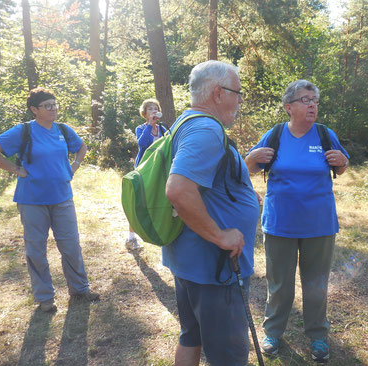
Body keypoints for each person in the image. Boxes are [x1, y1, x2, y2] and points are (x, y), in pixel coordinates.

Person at [245, 80, 349, 362]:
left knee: (316, 283)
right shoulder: (276, 134)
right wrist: (252, 158)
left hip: (319, 224)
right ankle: (273, 333)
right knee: (279, 284)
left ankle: (317, 336)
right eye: (305, 100)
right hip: (280, 223)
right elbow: (249, 168)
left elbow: (341, 165)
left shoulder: (326, 135)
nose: (312, 104)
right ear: (289, 107)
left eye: (314, 99)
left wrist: (342, 161)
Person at [163, 60, 260, 366]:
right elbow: (178, 189)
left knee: (192, 337)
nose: (240, 99)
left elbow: (206, 180)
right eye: (237, 92)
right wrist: (220, 235)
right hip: (214, 269)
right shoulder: (206, 129)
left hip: (191, 261)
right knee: (228, 356)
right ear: (218, 93)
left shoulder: (187, 121)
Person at [0, 87, 99, 312]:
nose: (53, 108)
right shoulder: (22, 131)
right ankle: (45, 299)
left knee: (71, 245)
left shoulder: (63, 129)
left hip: (62, 197)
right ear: (34, 110)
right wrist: (16, 169)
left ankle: (80, 289)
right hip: (32, 200)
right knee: (36, 249)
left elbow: (81, 147)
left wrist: (74, 166)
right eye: (47, 105)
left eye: (54, 104)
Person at [125, 98, 166, 252]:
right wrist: (150, 125)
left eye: (156, 108)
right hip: (143, 170)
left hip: (159, 170)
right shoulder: (141, 128)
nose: (154, 111)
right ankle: (131, 237)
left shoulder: (163, 129)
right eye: (150, 109)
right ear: (144, 113)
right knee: (138, 203)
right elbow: (143, 144)